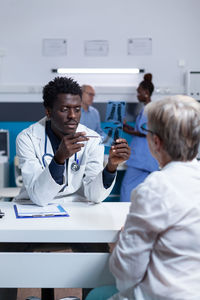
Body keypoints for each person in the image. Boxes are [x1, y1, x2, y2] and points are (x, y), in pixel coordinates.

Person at [0, 77, 130, 300]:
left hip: (75, 209)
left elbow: (93, 194)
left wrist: (110, 167)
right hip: (31, 208)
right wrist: (59, 158)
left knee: (98, 255)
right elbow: (39, 196)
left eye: (77, 109)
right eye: (64, 109)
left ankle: (91, 296)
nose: (72, 116)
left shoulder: (91, 138)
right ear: (49, 111)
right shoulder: (28, 138)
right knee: (5, 256)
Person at [86, 95, 200, 300]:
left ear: (156, 142)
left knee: (96, 295)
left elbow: (126, 274)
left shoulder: (155, 188)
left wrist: (121, 241)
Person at [120, 73, 159, 202]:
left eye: (139, 92)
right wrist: (128, 128)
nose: (137, 95)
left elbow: (145, 132)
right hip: (148, 158)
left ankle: (123, 216)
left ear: (146, 93)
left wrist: (127, 130)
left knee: (127, 187)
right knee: (146, 192)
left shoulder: (148, 109)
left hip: (141, 159)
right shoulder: (151, 109)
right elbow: (141, 129)